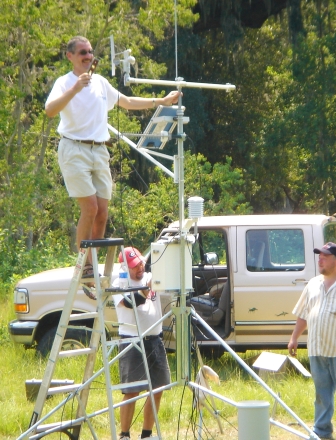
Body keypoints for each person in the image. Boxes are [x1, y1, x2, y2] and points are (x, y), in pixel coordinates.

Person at [45, 36, 180, 278]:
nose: (88, 56)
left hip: (99, 150)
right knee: (90, 208)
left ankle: (92, 262)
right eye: (82, 52)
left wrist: (161, 101)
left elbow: (126, 102)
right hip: (74, 149)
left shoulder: (100, 82)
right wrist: (76, 88)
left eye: (90, 52)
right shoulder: (64, 83)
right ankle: (84, 264)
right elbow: (50, 110)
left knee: (102, 212)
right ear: (70, 56)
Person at [288, 242, 336, 440]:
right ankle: (322, 430)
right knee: (322, 393)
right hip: (317, 349)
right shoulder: (312, 284)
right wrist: (294, 338)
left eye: (325, 257)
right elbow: (303, 314)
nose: (320, 260)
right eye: (319, 256)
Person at [112, 246, 171, 440]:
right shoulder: (119, 284)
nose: (140, 268)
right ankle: (124, 434)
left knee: (158, 388)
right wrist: (148, 287)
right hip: (132, 341)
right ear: (125, 267)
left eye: (141, 264)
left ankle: (146, 434)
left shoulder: (151, 277)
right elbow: (131, 302)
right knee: (132, 391)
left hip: (155, 339)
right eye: (135, 266)